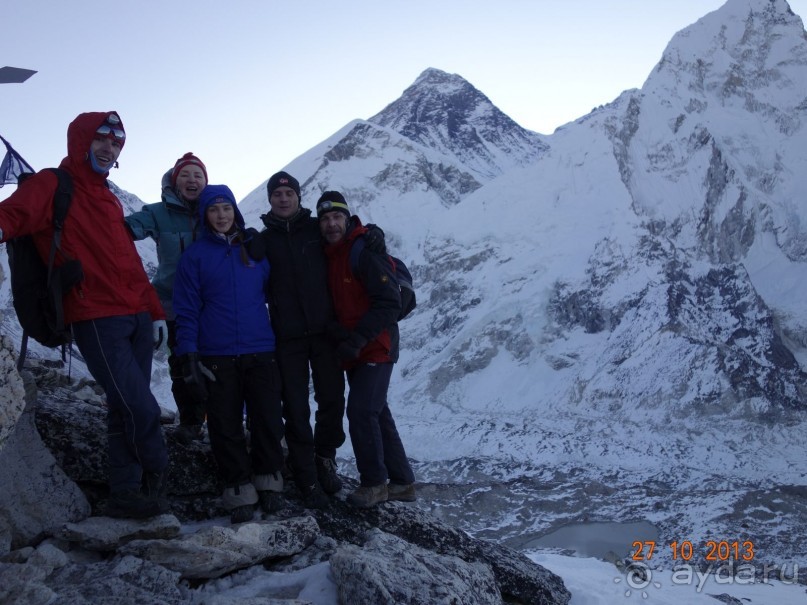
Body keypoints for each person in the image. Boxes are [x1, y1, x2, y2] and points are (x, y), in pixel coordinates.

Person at [0, 111, 170, 519]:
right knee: (140, 406)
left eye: (116, 143)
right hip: (95, 317)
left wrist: (155, 311)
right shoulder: (52, 184)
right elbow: (11, 217)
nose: (109, 148)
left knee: (121, 406)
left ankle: (124, 491)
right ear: (80, 141)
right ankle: (161, 473)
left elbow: (129, 261)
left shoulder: (109, 198)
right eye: (101, 140)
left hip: (137, 318)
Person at [258, 171, 387, 509]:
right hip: (287, 339)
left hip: (326, 334)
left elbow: (345, 237)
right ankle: (305, 476)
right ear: (270, 200)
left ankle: (325, 457)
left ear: (299, 197)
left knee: (331, 402)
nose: (284, 199)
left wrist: (372, 233)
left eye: (289, 193)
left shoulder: (316, 230)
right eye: (277, 195)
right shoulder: (261, 241)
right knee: (296, 409)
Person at [173, 184, 285, 523]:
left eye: (226, 208)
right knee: (224, 422)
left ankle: (269, 478)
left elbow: (277, 293)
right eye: (213, 210)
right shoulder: (195, 256)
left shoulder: (254, 250)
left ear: (235, 211)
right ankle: (237, 486)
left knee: (266, 417)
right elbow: (187, 310)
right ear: (205, 216)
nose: (221, 216)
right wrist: (188, 355)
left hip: (260, 348)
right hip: (216, 353)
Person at [316, 191, 416, 508]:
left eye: (337, 217)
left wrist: (357, 338)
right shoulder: (330, 254)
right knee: (376, 412)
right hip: (356, 349)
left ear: (348, 218)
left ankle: (374, 484)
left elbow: (389, 302)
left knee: (361, 411)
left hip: (377, 347)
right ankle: (401, 482)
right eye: (325, 218)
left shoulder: (362, 250)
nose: (332, 224)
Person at [125, 152, 209, 443]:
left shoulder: (213, 211)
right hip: (171, 303)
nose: (191, 180)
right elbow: (127, 229)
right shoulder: (158, 212)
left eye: (197, 175)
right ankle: (190, 421)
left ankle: (219, 419)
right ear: (174, 181)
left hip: (209, 305)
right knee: (181, 366)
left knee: (215, 363)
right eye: (185, 175)